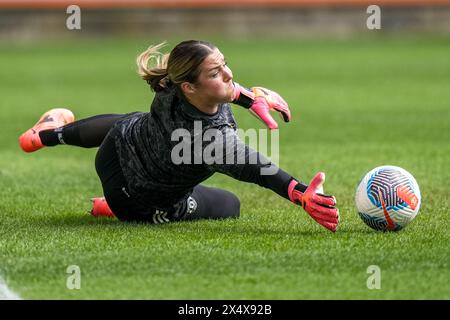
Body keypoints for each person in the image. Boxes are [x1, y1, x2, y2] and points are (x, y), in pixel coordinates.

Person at [18, 40, 339, 231]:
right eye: (216, 73)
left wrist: (249, 97)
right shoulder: (212, 144)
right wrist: (301, 194)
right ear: (190, 86)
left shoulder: (171, 86)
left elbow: (224, 86)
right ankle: (113, 205)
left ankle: (47, 135)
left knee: (132, 122)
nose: (228, 75)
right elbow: (259, 169)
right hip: (134, 203)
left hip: (115, 148)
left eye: (225, 65)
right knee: (231, 205)